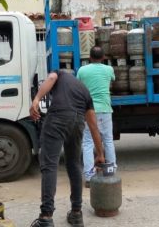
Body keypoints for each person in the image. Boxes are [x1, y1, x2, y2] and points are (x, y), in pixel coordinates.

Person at [29, 70, 105, 227]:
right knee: (74, 164)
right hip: (77, 122)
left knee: (49, 165)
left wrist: (36, 99)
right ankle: (76, 214)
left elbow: (51, 77)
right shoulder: (84, 90)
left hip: (57, 118)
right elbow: (93, 125)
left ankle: (46, 217)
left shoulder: (59, 74)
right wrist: (100, 154)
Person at [76, 46, 117, 187]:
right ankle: (111, 171)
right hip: (105, 108)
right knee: (108, 140)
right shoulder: (109, 69)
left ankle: (89, 176)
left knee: (87, 142)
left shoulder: (82, 70)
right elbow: (113, 81)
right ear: (103, 57)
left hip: (88, 110)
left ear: (90, 57)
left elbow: (79, 86)